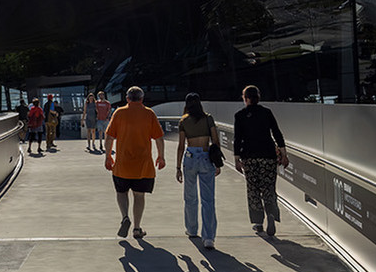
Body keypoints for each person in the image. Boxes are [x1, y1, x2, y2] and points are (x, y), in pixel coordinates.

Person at [104, 86, 166, 239]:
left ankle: (125, 217)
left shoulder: (119, 113)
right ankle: (137, 228)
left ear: (127, 98)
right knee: (139, 196)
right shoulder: (149, 114)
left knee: (121, 192)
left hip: (122, 164)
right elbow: (159, 138)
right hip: (143, 165)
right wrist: (161, 156)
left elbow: (109, 137)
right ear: (142, 99)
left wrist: (107, 156)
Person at [232, 84, 288, 236]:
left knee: (253, 189)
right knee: (269, 187)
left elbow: (238, 139)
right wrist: (283, 154)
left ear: (245, 99)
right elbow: (277, 133)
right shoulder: (266, 112)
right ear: (258, 98)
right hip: (268, 156)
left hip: (249, 157)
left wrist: (237, 159)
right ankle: (271, 214)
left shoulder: (240, 115)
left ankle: (258, 222)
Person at [175, 92, 221, 249]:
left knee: (190, 196)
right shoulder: (208, 118)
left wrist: (178, 167)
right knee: (208, 200)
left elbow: (181, 146)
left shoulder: (183, 121)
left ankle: (192, 229)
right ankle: (209, 237)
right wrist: (217, 163)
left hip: (190, 157)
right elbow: (215, 140)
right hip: (206, 156)